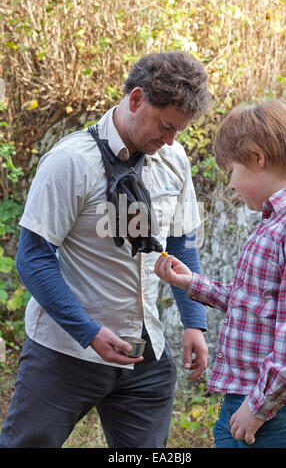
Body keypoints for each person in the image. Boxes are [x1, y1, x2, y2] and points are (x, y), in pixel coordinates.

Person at [0, 51, 210, 448]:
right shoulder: (69, 162)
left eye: (178, 131)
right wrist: (88, 332)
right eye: (166, 126)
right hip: (64, 352)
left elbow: (182, 240)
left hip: (145, 355)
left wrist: (193, 321)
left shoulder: (173, 158)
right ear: (135, 100)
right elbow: (33, 258)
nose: (169, 140)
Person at [155, 99, 286, 448]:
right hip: (253, 400)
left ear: (257, 157)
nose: (231, 185)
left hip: (276, 411)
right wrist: (191, 283)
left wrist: (260, 406)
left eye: (232, 170)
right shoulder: (275, 223)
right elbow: (255, 302)